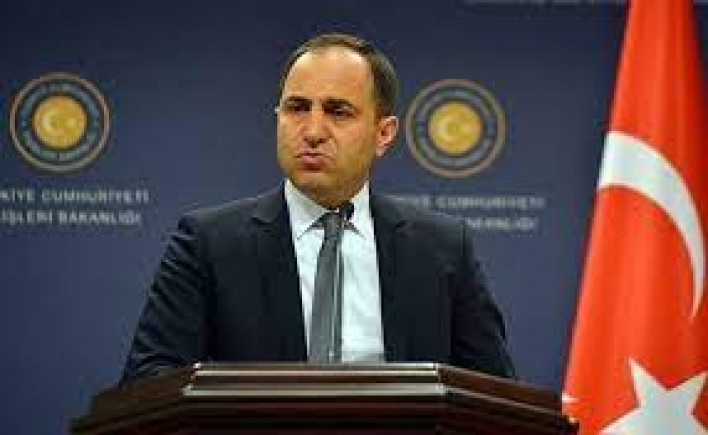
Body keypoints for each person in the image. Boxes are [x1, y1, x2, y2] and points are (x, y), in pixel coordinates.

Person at [122, 32, 515, 381]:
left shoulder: (443, 247)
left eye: (338, 111)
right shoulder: (208, 244)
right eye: (296, 108)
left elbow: (492, 393)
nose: (312, 131)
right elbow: (150, 383)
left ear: (383, 133)